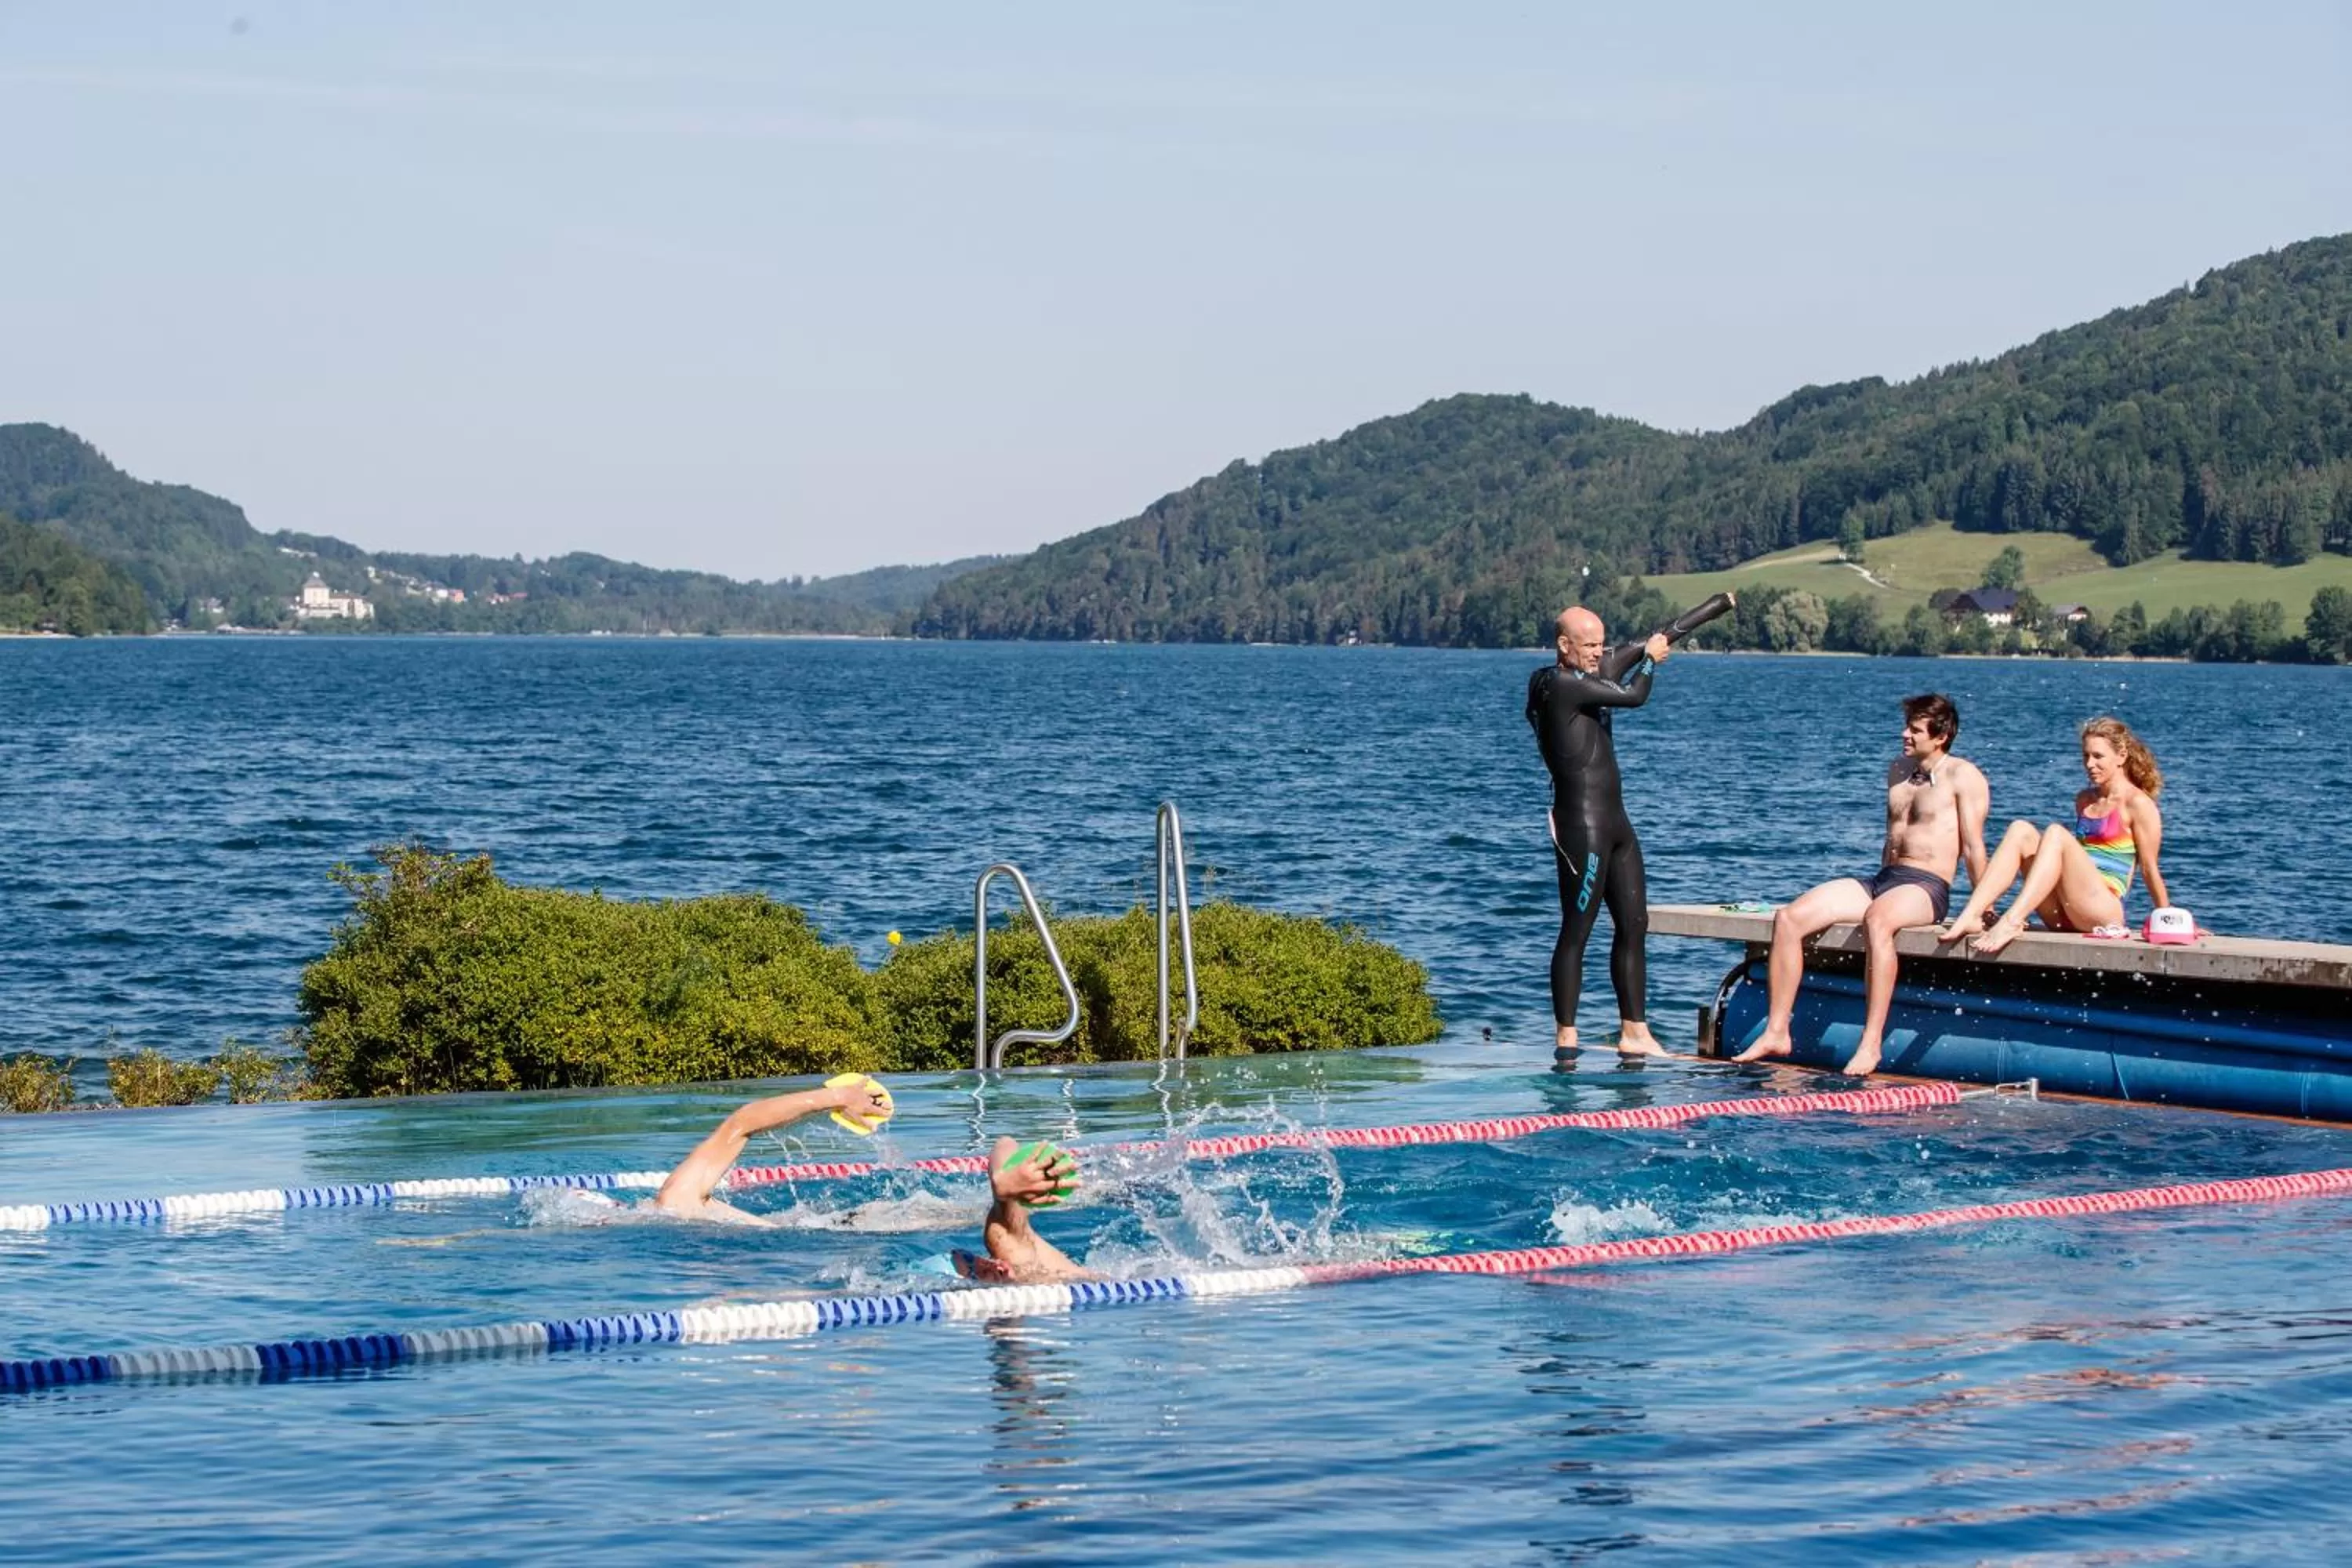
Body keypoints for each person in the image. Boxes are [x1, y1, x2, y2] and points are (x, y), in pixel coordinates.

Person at [1734, 693, 1990, 1076]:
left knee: (1878, 921)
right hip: (1884, 880)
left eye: (1915, 729)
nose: (1905, 734)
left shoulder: (1963, 775)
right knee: (1789, 918)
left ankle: (1871, 1044)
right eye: (1907, 725)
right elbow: (1893, 839)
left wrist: (1984, 909)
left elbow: (1972, 847)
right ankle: (1776, 1031)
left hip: (1927, 887)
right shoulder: (1899, 770)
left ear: (1941, 736)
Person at [1526, 591, 1734, 1059]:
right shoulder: (1559, 685)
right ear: (1564, 646)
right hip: (1580, 823)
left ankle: (1634, 1030)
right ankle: (1567, 1038)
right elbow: (1636, 695)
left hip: (1616, 821)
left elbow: (1657, 638)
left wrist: (1714, 607)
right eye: (1589, 646)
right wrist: (1652, 664)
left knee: (1634, 923)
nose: (1600, 652)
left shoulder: (1591, 672)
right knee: (1577, 929)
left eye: (1603, 644)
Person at [650, 1076, 1090, 1279]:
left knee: (988, 1231)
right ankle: (1007, 1195)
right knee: (991, 1232)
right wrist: (838, 1096)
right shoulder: (675, 1204)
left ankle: (1007, 1197)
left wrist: (839, 1097)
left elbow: (740, 1124)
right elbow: (740, 1123)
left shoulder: (674, 1206)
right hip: (840, 1229)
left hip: (832, 1231)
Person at [1937, 716, 2169, 954]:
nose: (2090, 764)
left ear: (2121, 756)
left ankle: (2012, 920)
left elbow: (2149, 869)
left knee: (2056, 834)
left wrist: (2169, 920)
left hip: (2102, 912)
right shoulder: (2085, 800)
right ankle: (1971, 914)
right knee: (2020, 830)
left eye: (2098, 756)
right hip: (2064, 913)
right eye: (2086, 756)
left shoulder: (2138, 804)